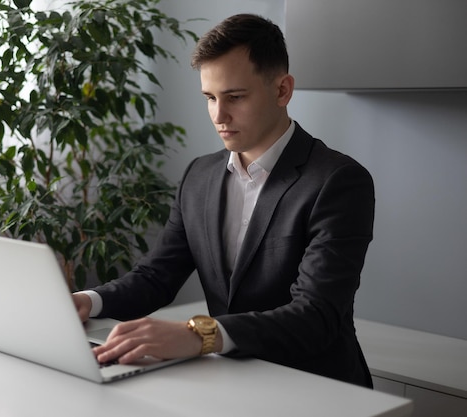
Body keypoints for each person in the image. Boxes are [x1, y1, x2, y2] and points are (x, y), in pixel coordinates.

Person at [72, 13, 375, 388]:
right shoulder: (198, 175)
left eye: (235, 97)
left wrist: (198, 335)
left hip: (315, 385)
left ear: (282, 90)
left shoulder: (338, 181)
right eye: (210, 98)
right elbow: (157, 276)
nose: (219, 115)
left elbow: (315, 315)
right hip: (227, 378)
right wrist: (88, 300)